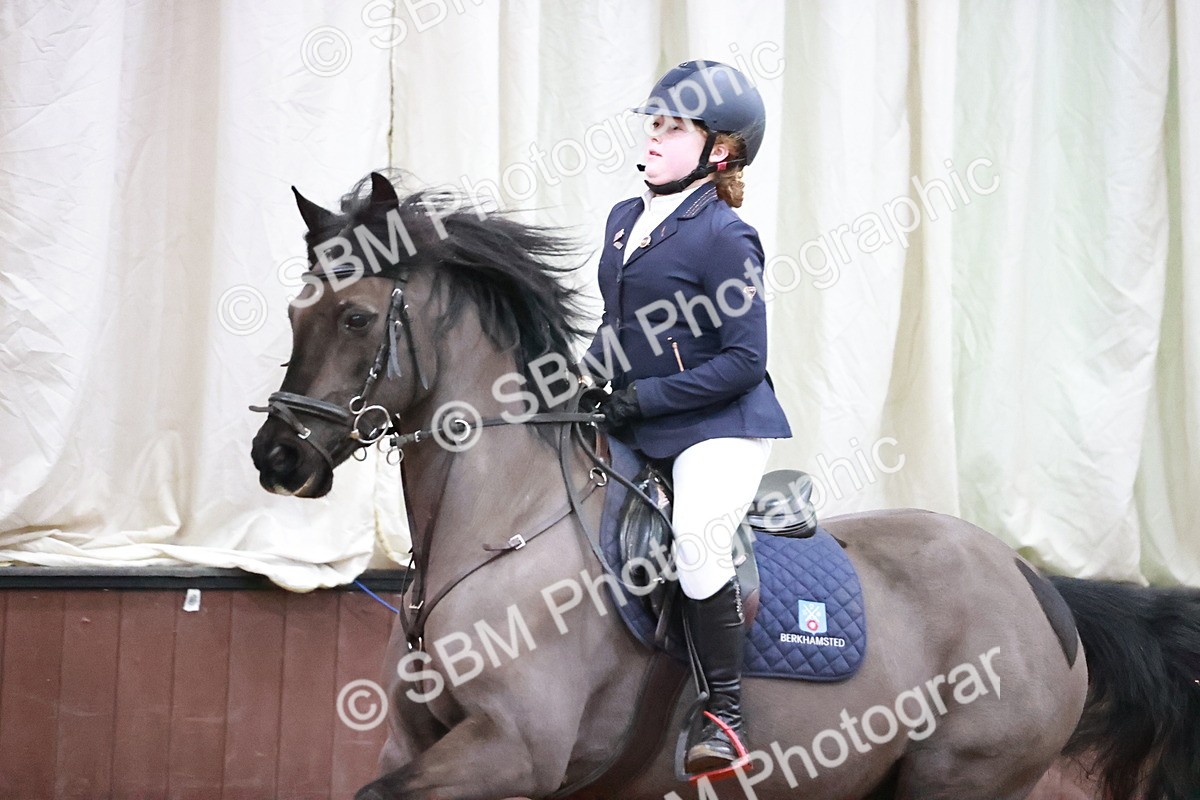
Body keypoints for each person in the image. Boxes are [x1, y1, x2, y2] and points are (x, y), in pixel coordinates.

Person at [581, 60, 792, 775]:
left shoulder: (726, 238)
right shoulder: (622, 222)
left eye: (674, 128)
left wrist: (645, 398)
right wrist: (577, 378)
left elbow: (745, 361)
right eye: (655, 124)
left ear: (720, 151)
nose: (655, 137)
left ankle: (725, 716)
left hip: (722, 427)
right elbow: (618, 328)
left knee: (699, 544)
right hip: (643, 417)